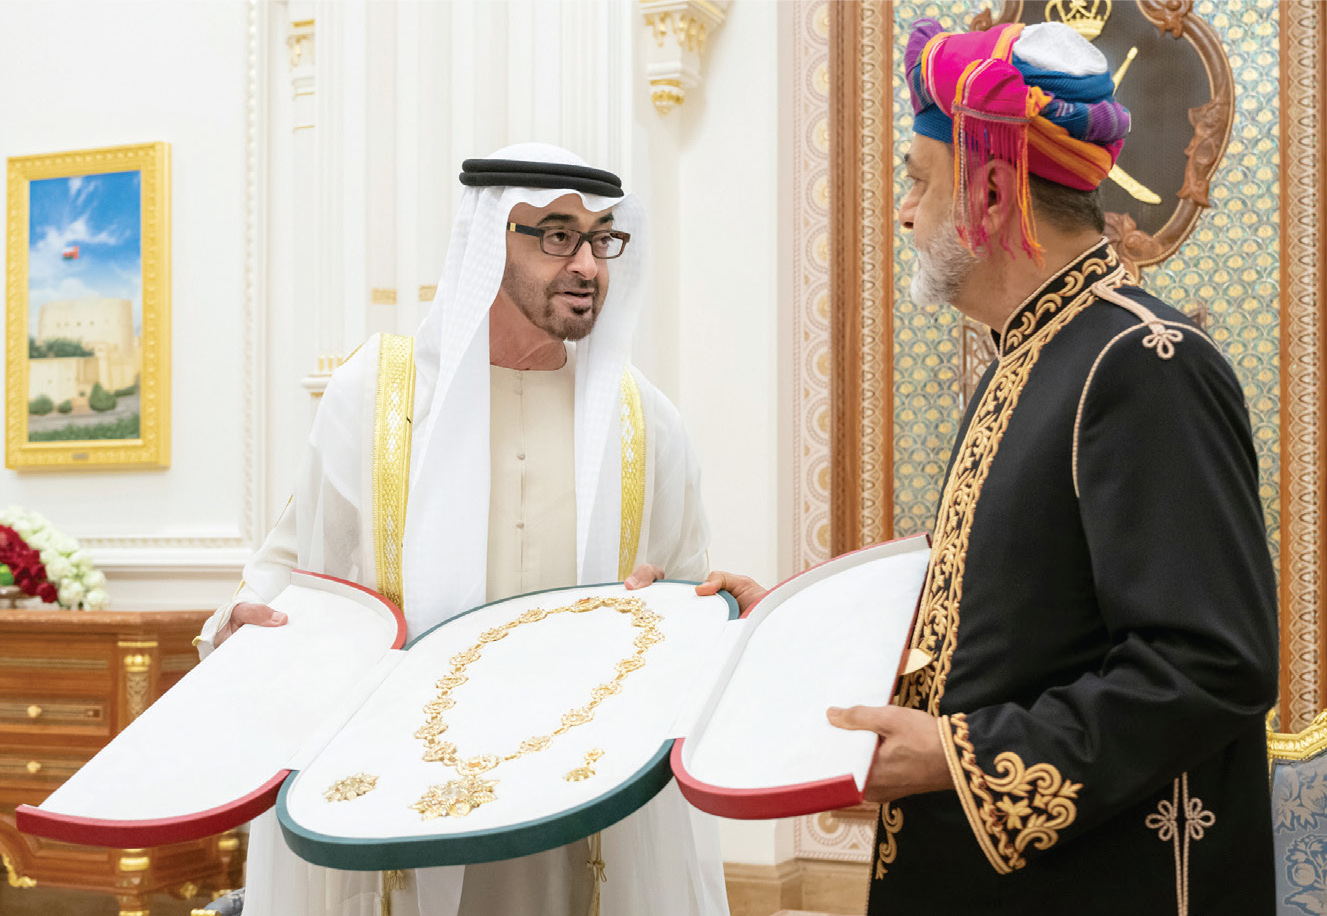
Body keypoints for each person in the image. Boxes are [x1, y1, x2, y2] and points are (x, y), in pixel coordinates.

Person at [701, 19, 1278, 915]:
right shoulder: (1027, 356)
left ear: (994, 191)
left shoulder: (1143, 360)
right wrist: (789, 631)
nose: (903, 213)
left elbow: (1210, 666)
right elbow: (1005, 618)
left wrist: (957, 757)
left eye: (918, 182)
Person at [196, 143, 726, 916]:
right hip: (398, 779)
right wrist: (236, 625)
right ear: (488, 241)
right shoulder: (378, 397)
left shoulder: (644, 419)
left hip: (571, 793)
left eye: (600, 239)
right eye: (556, 236)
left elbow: (688, 589)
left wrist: (689, 610)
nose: (586, 266)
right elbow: (298, 564)